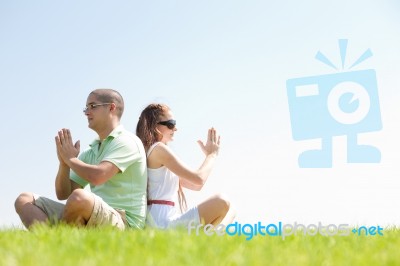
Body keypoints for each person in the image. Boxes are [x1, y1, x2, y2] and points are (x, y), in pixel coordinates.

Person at [14, 89, 147, 230]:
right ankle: (52, 242)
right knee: (24, 199)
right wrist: (64, 163)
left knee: (80, 198)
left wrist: (71, 159)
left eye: (93, 106)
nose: (87, 112)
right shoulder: (92, 150)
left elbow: (98, 176)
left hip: (124, 222)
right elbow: (63, 194)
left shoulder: (127, 141)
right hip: (94, 214)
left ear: (111, 107)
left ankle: (58, 242)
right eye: (86, 108)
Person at [136, 103, 233, 229]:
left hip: (164, 218)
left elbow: (196, 185)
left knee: (231, 209)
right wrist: (212, 155)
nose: (175, 129)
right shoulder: (158, 149)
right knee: (222, 201)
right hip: (160, 223)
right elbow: (198, 178)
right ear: (155, 125)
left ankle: (210, 238)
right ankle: (211, 237)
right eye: (171, 124)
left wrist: (209, 155)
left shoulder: (154, 151)